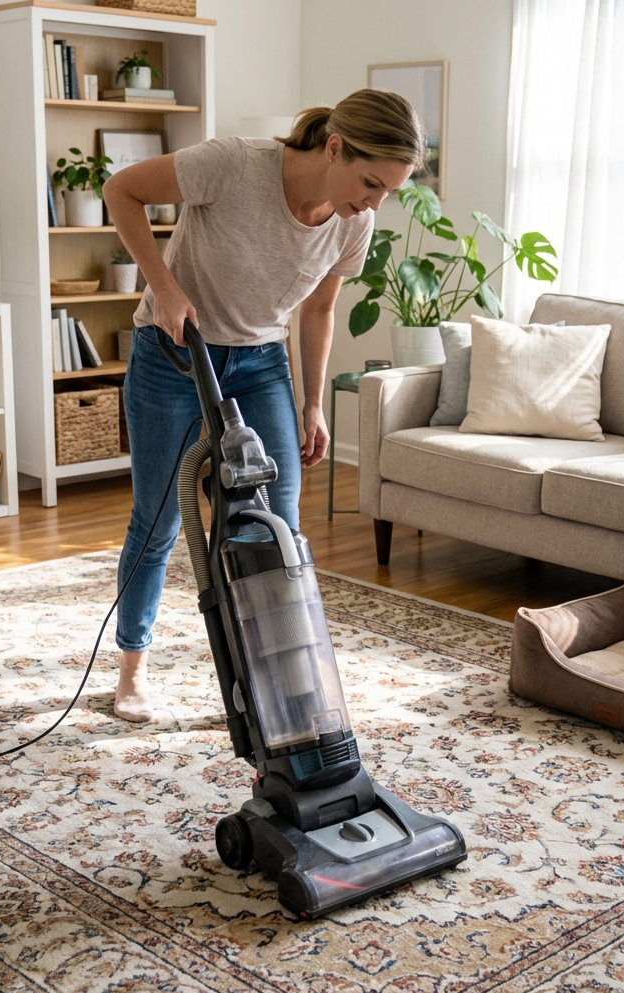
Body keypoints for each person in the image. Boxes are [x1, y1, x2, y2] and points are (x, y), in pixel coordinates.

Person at [103, 90, 425, 722]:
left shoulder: (355, 220)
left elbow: (321, 310)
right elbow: (121, 190)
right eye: (369, 182)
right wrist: (163, 288)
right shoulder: (232, 164)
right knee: (159, 519)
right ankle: (132, 671)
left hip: (259, 363)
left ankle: (278, 677)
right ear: (334, 146)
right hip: (174, 352)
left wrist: (312, 405)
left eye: (388, 190)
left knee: (278, 523)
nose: (374, 202)